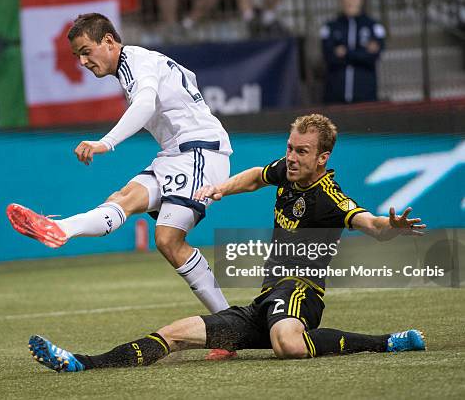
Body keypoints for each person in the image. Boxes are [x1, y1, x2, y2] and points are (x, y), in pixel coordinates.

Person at [26, 114, 427, 372]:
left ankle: (386, 342)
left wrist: (389, 227)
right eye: (289, 147)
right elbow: (255, 175)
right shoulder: (287, 172)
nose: (291, 157)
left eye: (301, 152)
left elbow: (368, 223)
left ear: (322, 158)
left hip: (301, 294)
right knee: (175, 334)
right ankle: (84, 363)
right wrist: (220, 188)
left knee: (287, 343)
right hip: (264, 303)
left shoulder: (329, 196)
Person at [7, 13, 235, 359]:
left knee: (167, 238)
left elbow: (144, 104)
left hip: (200, 151)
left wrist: (106, 142)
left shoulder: (137, 63)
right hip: (177, 153)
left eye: (86, 52)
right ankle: (60, 228)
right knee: (123, 199)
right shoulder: (134, 64)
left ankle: (228, 331)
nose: (83, 62)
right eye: (77, 56)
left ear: (109, 41)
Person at [321, 0, 386, 104]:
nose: (349, 1)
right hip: (335, 99)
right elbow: (329, 56)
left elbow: (372, 57)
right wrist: (361, 52)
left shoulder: (373, 26)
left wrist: (346, 52)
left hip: (365, 97)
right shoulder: (330, 27)